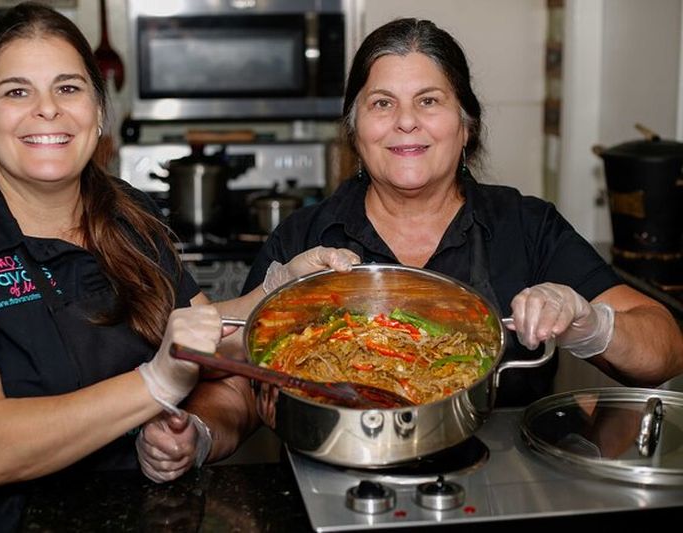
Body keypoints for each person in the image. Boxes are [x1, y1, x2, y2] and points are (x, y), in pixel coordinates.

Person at [131, 18, 683, 483]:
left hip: (504, 484)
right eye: (382, 103)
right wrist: (198, 435)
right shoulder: (304, 238)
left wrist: (591, 324)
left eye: (429, 100)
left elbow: (664, 351)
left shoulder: (525, 224)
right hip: (333, 482)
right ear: (356, 129)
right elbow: (241, 387)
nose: (405, 121)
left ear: (466, 125)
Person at [0, 3, 358, 532]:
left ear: (98, 110)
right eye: (17, 91)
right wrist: (153, 383)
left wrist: (281, 293)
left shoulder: (128, 212)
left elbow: (200, 334)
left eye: (68, 88)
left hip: (140, 515)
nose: (48, 110)